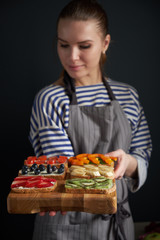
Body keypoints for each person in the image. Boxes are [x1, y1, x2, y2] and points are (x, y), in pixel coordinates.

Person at [29, 0, 152, 239]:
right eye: (64, 45)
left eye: (84, 46)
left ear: (105, 43)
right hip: (65, 225)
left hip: (117, 221)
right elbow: (63, 168)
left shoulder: (128, 95)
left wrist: (127, 162)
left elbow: (142, 156)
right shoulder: (50, 99)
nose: (72, 57)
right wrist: (111, 171)